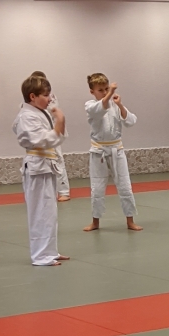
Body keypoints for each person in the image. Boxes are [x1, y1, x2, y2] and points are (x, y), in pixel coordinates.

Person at [12, 73, 69, 266]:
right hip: (37, 166)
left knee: (49, 212)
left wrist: (59, 124)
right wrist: (59, 124)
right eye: (45, 95)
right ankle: (40, 256)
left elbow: (57, 138)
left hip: (46, 165)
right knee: (39, 212)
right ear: (32, 96)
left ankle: (49, 252)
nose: (49, 99)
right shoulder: (26, 116)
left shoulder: (38, 112)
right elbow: (41, 139)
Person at [84, 73, 142, 232]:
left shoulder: (115, 104)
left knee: (125, 186)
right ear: (92, 92)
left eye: (106, 89)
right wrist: (110, 93)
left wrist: (120, 105)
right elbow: (99, 110)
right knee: (97, 188)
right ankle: (95, 222)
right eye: (100, 90)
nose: (104, 92)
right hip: (98, 152)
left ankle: (130, 220)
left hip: (117, 150)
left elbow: (131, 121)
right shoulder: (90, 105)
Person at [28, 71, 71, 202]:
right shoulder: (32, 100)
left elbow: (53, 111)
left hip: (53, 130)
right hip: (41, 134)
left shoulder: (51, 97)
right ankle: (48, 191)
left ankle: (64, 191)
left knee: (58, 159)